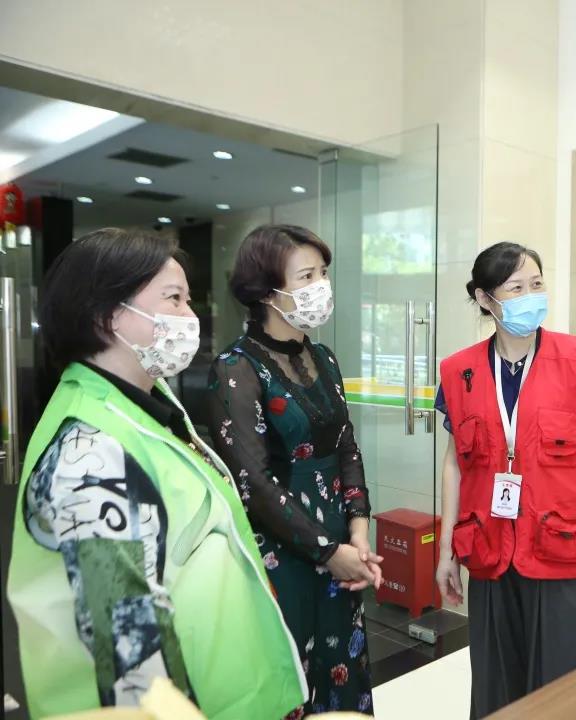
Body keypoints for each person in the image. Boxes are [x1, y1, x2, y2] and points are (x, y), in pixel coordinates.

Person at [6, 228, 305, 719]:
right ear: (107, 315)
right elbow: (132, 664)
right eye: (173, 299)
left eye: (188, 300)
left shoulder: (146, 404)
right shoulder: (90, 454)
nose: (190, 317)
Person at [433, 242, 576, 718]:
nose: (530, 296)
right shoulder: (460, 372)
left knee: (565, 689)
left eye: (536, 284)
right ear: (485, 299)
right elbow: (455, 464)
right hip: (490, 551)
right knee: (497, 686)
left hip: (565, 549)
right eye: (515, 288)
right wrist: (446, 551)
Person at [208, 225, 380, 717]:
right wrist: (327, 551)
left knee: (341, 671)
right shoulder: (236, 368)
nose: (321, 286)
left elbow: (346, 445)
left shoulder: (323, 357)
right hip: (282, 551)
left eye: (323, 273)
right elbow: (253, 482)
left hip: (341, 546)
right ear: (267, 291)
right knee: (291, 679)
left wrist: (358, 531)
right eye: (306, 276)